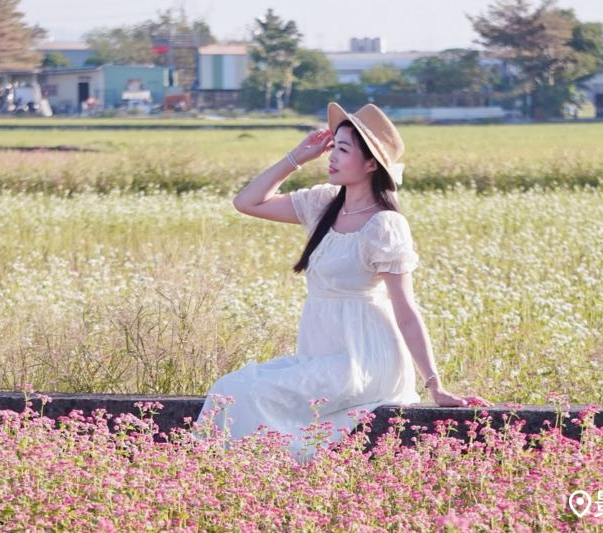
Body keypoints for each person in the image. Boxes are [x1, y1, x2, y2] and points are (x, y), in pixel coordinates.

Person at [194, 102, 492, 462]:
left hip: (363, 360)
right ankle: (233, 477)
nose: (331, 156)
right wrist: (296, 158)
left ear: (371, 164)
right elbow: (247, 202)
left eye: (344, 150)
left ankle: (249, 473)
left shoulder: (384, 225)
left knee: (246, 391)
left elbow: (406, 310)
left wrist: (435, 384)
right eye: (332, 147)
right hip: (321, 356)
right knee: (229, 389)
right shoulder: (323, 203)